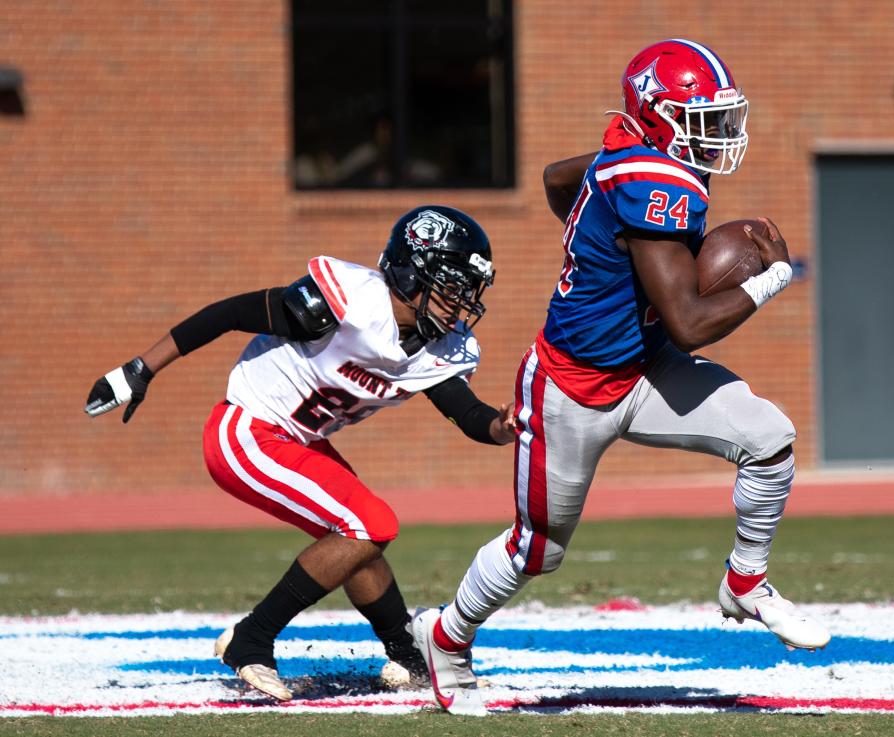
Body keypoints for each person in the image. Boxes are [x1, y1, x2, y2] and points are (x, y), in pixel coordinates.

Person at [409, 39, 831, 717]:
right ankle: (446, 634)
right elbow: (691, 323)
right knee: (536, 550)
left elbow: (555, 178)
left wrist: (594, 228)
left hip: (644, 366)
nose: (720, 134)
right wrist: (778, 278)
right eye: (703, 118)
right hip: (573, 386)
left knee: (769, 437)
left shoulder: (631, 151)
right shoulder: (654, 180)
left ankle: (745, 581)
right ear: (660, 115)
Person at [84, 205, 515, 701]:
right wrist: (139, 369)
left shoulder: (442, 347)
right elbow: (229, 314)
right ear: (411, 272)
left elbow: (465, 412)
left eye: (466, 290)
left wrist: (501, 428)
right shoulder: (349, 301)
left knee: (361, 535)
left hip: (299, 442)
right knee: (368, 523)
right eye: (450, 286)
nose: (459, 303)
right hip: (247, 430)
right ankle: (252, 639)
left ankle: (406, 652)